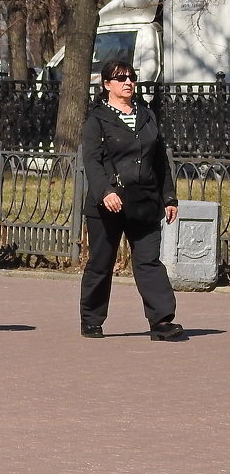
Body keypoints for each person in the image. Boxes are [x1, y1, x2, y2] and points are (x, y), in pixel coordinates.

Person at [80, 60, 183, 341]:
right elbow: (92, 161)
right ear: (106, 85)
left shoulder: (147, 116)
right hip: (109, 204)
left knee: (149, 261)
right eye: (120, 78)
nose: (127, 82)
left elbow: (159, 160)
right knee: (101, 263)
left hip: (146, 202)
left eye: (131, 78)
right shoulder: (97, 120)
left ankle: (161, 321)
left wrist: (169, 196)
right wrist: (105, 191)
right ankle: (91, 319)